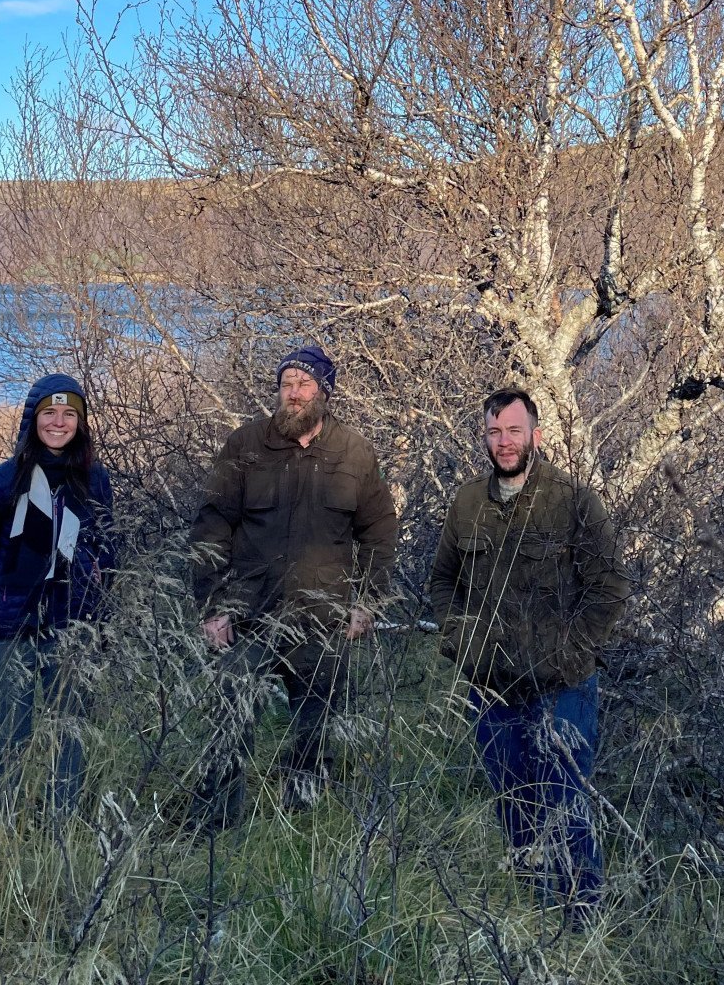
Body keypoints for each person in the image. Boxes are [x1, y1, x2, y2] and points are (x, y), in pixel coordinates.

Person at [430, 388, 629, 925]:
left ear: (535, 435)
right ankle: (534, 916)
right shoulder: (467, 504)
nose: (504, 442)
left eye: (513, 431)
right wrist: (461, 643)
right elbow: (443, 583)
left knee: (565, 803)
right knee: (513, 803)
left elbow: (608, 588)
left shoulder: (574, 500)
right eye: (494, 432)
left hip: (562, 687)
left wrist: (572, 657)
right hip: (492, 688)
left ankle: (581, 923)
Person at [189, 346, 398, 826]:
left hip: (322, 622)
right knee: (230, 719)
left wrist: (368, 602)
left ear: (324, 393)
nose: (294, 394)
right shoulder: (246, 446)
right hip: (247, 617)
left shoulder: (355, 453)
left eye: (304, 385)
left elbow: (380, 533)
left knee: (316, 729)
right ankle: (219, 825)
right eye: (287, 385)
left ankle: (300, 824)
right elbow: (211, 527)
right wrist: (213, 607)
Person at [0, 373, 115, 817]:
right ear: (33, 419)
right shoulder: (1, 483)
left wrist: (99, 616)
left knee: (70, 737)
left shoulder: (94, 481)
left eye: (69, 415)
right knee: (9, 738)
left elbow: (109, 548)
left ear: (80, 424)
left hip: (72, 630)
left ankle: (60, 829)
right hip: (6, 631)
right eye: (50, 413)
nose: (59, 422)